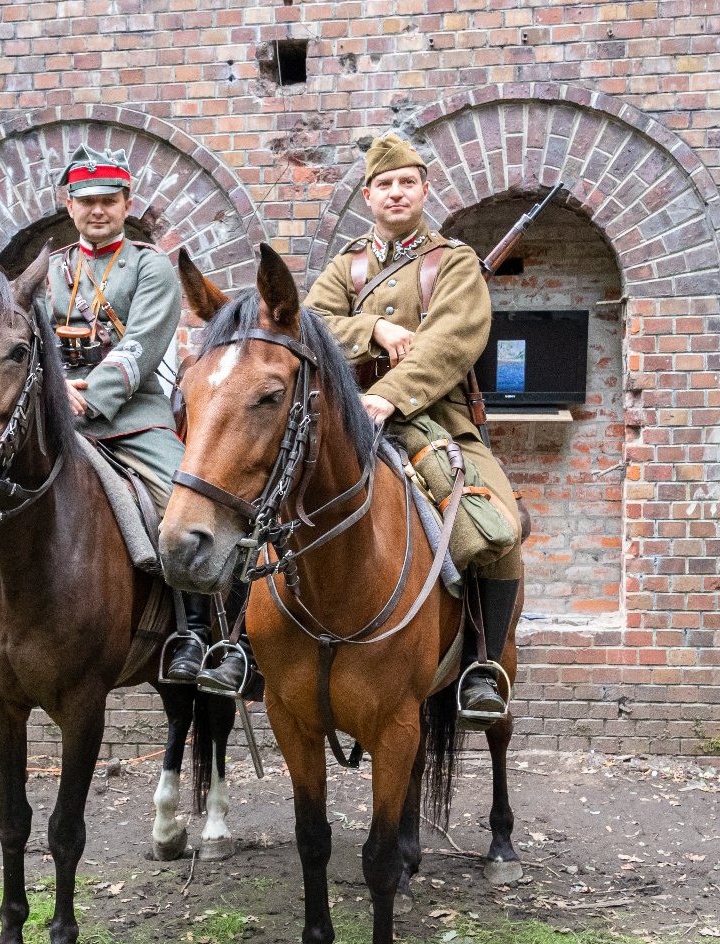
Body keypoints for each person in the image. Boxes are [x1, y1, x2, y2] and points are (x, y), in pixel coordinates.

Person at [200, 134, 524, 724]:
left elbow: (453, 342)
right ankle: (242, 647)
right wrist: (371, 328)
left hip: (434, 421)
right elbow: (306, 322)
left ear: (425, 189)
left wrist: (389, 397)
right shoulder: (347, 265)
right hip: (342, 418)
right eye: (384, 185)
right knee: (257, 500)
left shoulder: (453, 263)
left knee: (494, 526)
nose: (396, 193)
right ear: (369, 197)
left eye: (407, 182)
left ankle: (483, 663)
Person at [38, 144, 225, 685]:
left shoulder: (151, 266)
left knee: (187, 511)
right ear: (68, 205)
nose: (97, 210)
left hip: (132, 419)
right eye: (86, 201)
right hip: (56, 412)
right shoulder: (51, 269)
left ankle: (196, 635)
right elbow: (33, 339)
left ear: (127, 203)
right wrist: (56, 391)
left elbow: (141, 344)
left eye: (109, 200)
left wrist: (88, 396)